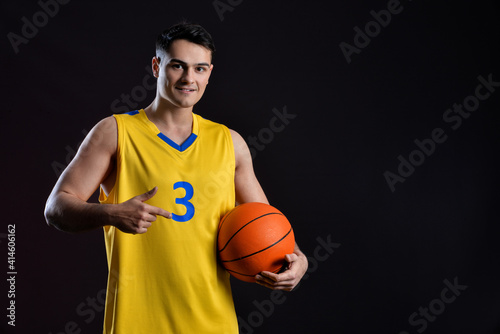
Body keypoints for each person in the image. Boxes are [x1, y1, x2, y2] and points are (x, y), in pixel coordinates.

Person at [44, 22, 308, 333]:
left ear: (209, 73)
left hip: (213, 323)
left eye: (199, 69)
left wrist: (298, 261)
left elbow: (267, 225)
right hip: (136, 323)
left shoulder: (230, 143)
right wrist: (111, 213)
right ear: (157, 66)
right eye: (178, 66)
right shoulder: (115, 132)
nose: (188, 79)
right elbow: (55, 208)